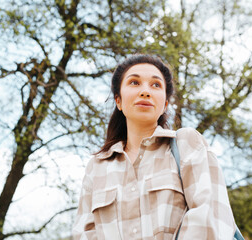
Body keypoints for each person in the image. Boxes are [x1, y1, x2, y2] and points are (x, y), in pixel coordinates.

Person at [72, 54, 237, 239]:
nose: (145, 91)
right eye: (134, 82)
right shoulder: (96, 167)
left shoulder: (187, 144)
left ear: (165, 104)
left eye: (156, 85)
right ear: (118, 101)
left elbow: (210, 219)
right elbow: (84, 234)